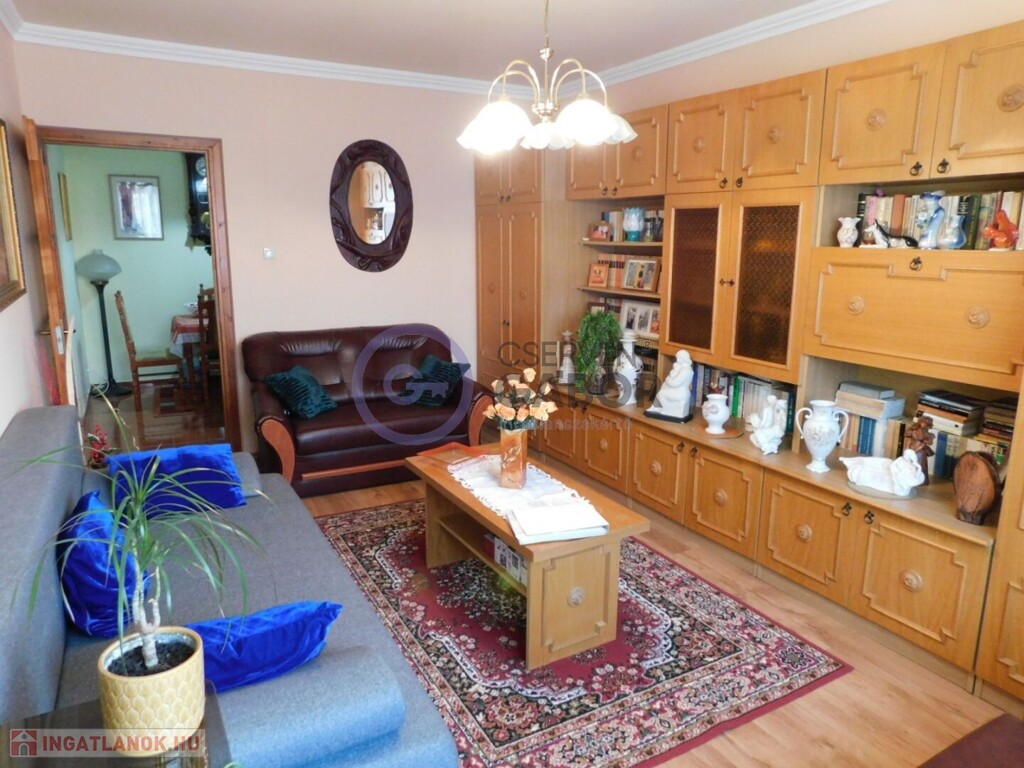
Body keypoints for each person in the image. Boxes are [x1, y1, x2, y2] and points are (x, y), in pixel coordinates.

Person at [840, 450, 926, 497]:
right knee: (877, 472)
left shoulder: (912, 466)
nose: (906, 456)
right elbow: (893, 466)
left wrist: (918, 466)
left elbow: (916, 476)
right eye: (905, 455)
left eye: (907, 455)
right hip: (893, 474)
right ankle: (858, 468)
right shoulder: (900, 460)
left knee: (879, 474)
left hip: (897, 477)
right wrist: (895, 472)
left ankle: (860, 470)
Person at [647, 350, 694, 420]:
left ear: (684, 359)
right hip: (677, 391)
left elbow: (675, 383)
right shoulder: (682, 368)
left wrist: (668, 379)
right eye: (677, 358)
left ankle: (666, 409)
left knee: (661, 394)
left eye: (680, 358)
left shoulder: (686, 370)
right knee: (660, 392)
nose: (678, 360)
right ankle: (656, 408)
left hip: (681, 393)